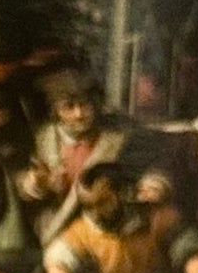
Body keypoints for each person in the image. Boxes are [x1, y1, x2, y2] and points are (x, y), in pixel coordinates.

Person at [42, 161, 185, 273]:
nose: (95, 213)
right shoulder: (83, 230)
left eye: (102, 202)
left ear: (122, 194)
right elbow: (59, 256)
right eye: (88, 206)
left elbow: (190, 252)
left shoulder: (157, 218)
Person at [15, 68, 125, 244]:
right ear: (56, 111)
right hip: (52, 226)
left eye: (85, 105)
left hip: (101, 228)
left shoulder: (114, 141)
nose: (79, 114)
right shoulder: (42, 138)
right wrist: (37, 183)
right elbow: (22, 181)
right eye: (69, 107)